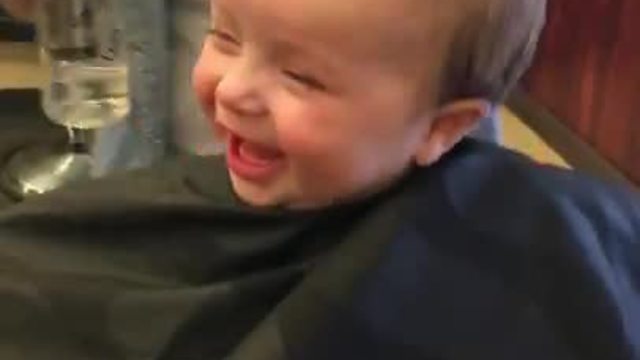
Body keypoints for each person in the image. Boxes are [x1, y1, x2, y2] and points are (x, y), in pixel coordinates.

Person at [0, 0, 638, 359]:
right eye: (224, 36)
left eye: (301, 77)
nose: (233, 89)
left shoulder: (554, 266)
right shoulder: (84, 238)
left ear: (444, 127)